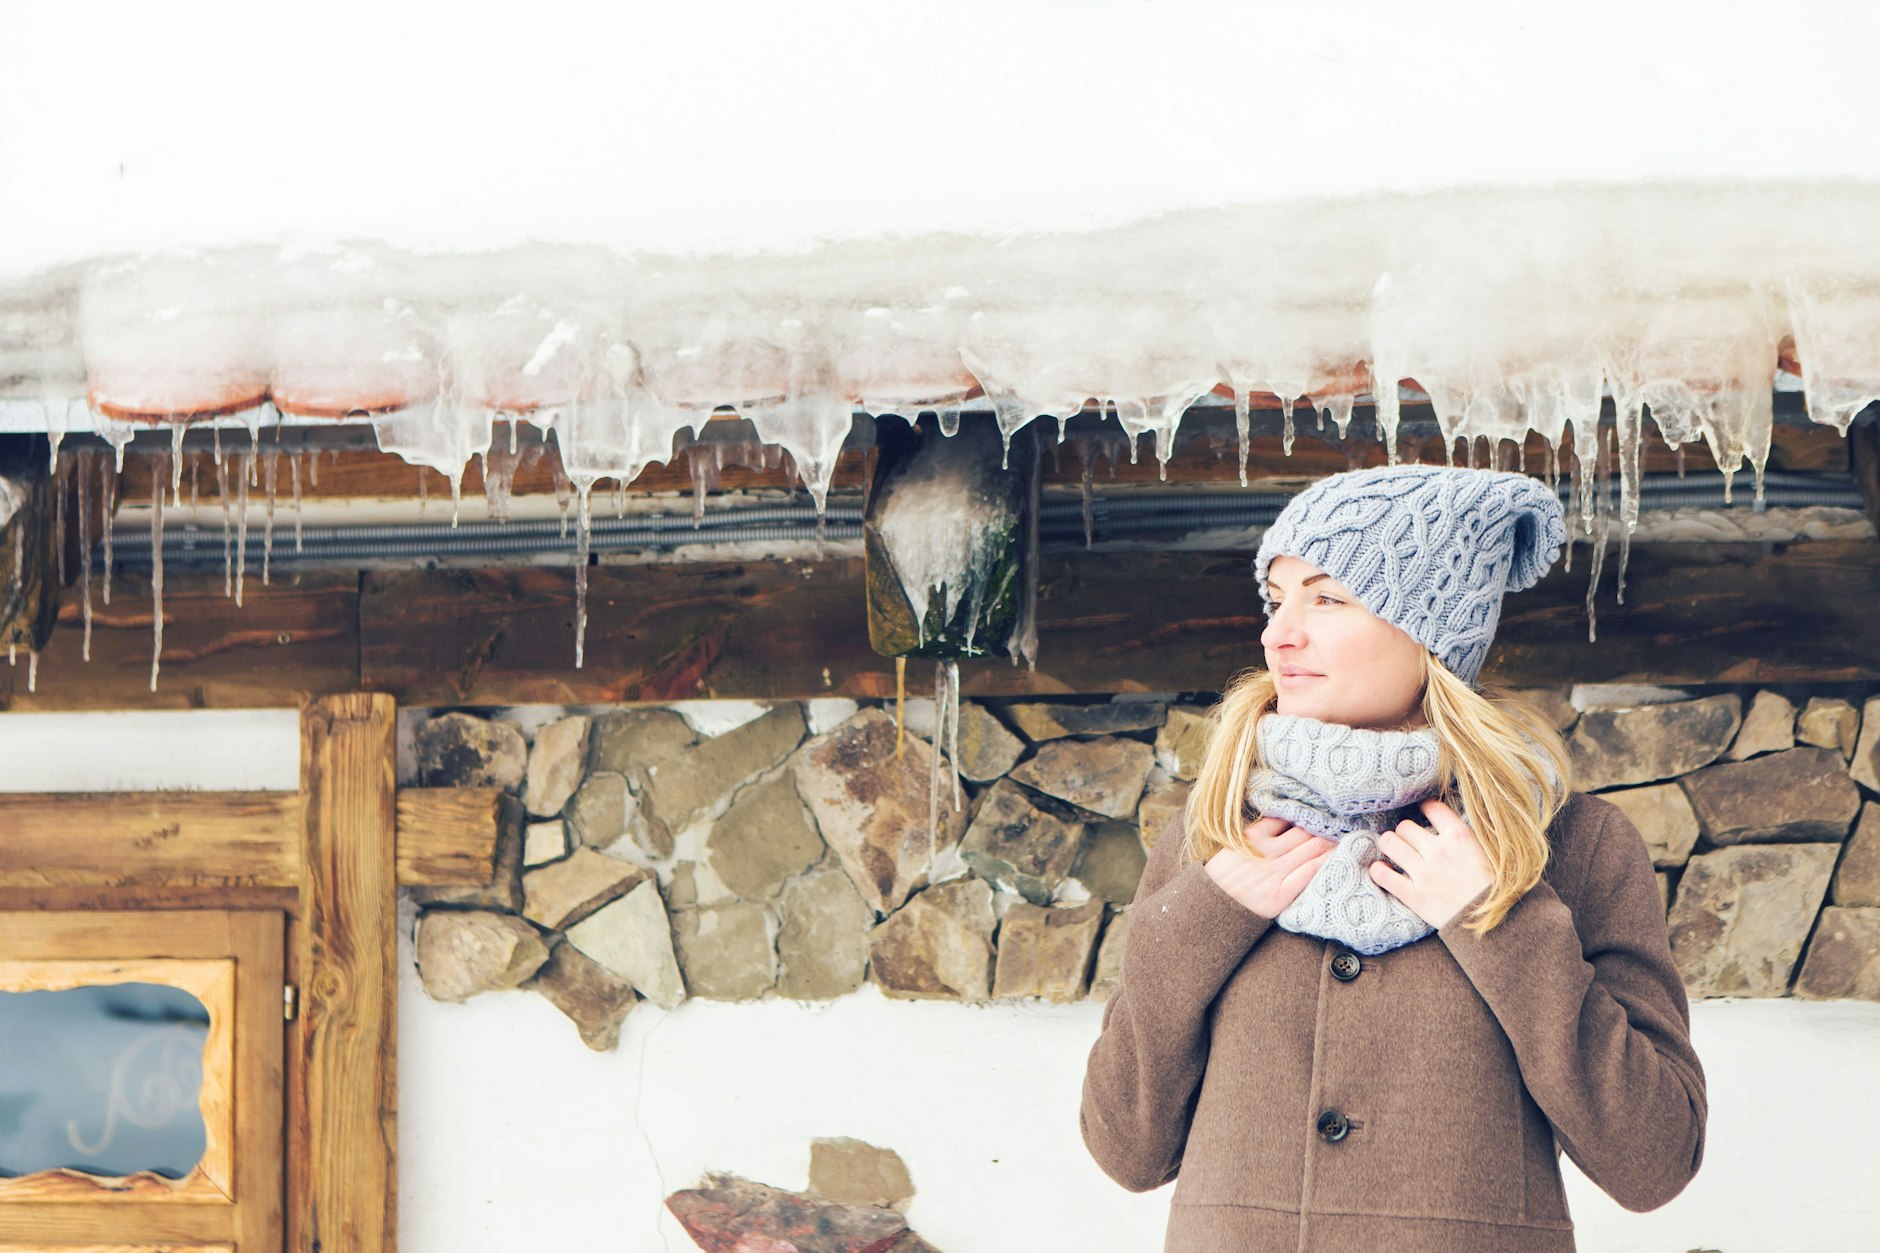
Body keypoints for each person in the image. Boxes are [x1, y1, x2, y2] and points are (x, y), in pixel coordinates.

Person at [1079, 463, 1707, 1252]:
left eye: (1328, 597)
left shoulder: (1567, 845)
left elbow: (1653, 1160)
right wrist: (1193, 930)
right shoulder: (1215, 832)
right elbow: (1127, 1153)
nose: (1280, 632)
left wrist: (1499, 923)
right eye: (1277, 599)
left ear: (1431, 629)